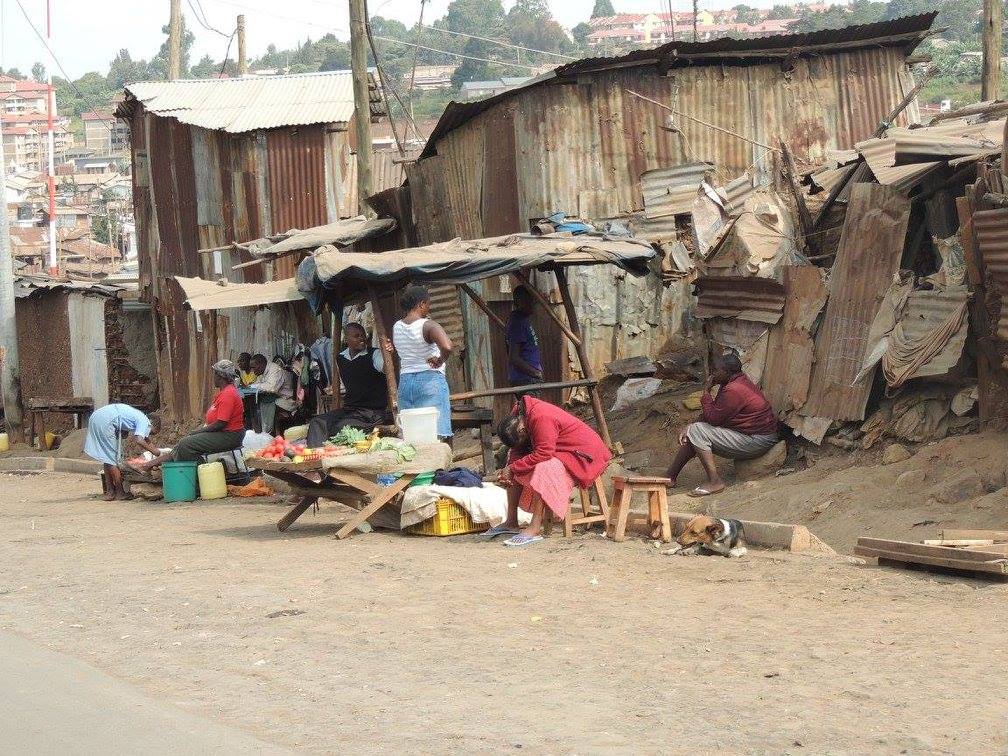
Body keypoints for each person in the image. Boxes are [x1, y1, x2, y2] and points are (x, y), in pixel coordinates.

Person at [487, 396, 612, 547]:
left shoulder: (541, 417)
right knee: (513, 465)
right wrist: (510, 469)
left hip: (584, 453)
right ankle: (511, 521)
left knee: (544, 467)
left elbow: (544, 453)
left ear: (521, 430)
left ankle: (535, 526)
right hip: (558, 450)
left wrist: (513, 468)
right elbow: (516, 451)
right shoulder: (517, 415)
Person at [665, 351, 778, 497]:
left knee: (697, 431)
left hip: (757, 441)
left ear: (727, 372)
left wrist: (706, 392)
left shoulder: (734, 389)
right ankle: (670, 477)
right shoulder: (732, 382)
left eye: (715, 371)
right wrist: (690, 427)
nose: (711, 374)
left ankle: (715, 481)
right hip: (750, 436)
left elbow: (713, 419)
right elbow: (714, 412)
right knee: (695, 430)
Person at [133, 360, 246, 473]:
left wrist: (199, 431)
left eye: (215, 374)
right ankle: (148, 465)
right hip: (223, 433)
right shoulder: (224, 392)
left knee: (185, 445)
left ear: (220, 376)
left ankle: (207, 474)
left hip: (229, 436)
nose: (213, 377)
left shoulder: (228, 394)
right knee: (182, 445)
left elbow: (221, 423)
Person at [386, 285, 454, 441]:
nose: (429, 307)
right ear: (421, 304)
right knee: (437, 434)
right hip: (430, 381)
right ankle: (442, 465)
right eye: (428, 304)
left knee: (412, 435)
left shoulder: (397, 326)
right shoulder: (428, 325)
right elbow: (448, 346)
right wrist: (440, 360)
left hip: (406, 383)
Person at [306, 322, 390, 447]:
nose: (362, 338)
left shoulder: (374, 354)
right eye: (357, 336)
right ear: (347, 339)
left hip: (372, 412)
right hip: (351, 410)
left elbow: (385, 367)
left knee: (340, 427)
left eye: (363, 335)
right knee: (317, 422)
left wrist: (389, 354)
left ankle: (328, 455)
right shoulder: (341, 358)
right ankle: (315, 456)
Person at [83, 403, 162, 500]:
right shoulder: (145, 422)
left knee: (107, 458)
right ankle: (120, 492)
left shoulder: (137, 416)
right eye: (152, 432)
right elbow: (139, 440)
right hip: (106, 421)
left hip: (97, 417)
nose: (149, 434)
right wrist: (156, 453)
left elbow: (146, 439)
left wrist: (155, 451)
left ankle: (110, 491)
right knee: (113, 460)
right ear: (153, 425)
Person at [505, 285, 543, 386]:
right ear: (521, 302)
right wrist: (536, 373)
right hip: (525, 380)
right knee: (530, 402)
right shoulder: (517, 323)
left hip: (528, 378)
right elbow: (514, 357)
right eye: (531, 300)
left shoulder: (523, 320)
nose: (534, 303)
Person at [247, 353, 294, 434]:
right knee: (254, 403)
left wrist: (254, 386)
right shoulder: (262, 371)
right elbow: (258, 384)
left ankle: (269, 432)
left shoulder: (275, 370)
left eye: (253, 367)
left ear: (261, 364)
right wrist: (253, 385)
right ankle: (261, 431)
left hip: (287, 400)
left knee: (263, 404)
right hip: (277, 397)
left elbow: (272, 388)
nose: (252, 370)